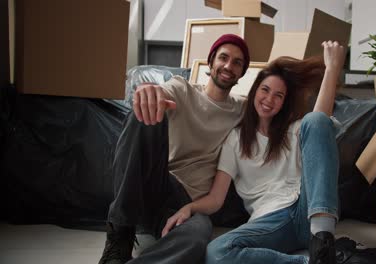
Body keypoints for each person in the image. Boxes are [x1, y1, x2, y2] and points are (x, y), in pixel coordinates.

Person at [162, 40, 346, 264]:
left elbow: (320, 122)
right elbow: (216, 199)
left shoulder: (293, 130)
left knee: (317, 120)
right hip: (271, 221)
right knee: (217, 253)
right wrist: (189, 207)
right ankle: (317, 261)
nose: (269, 100)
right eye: (265, 90)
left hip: (308, 209)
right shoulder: (235, 139)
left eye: (278, 96)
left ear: (284, 102)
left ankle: (322, 238)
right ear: (254, 91)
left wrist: (332, 68)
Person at [98, 34, 251, 264]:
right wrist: (150, 93)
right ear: (211, 62)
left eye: (237, 62)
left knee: (198, 237)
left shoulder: (243, 109)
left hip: (190, 205)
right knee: (146, 114)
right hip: (157, 182)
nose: (229, 66)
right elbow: (160, 93)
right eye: (223, 58)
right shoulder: (182, 89)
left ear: (242, 73)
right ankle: (120, 235)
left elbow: (279, 109)